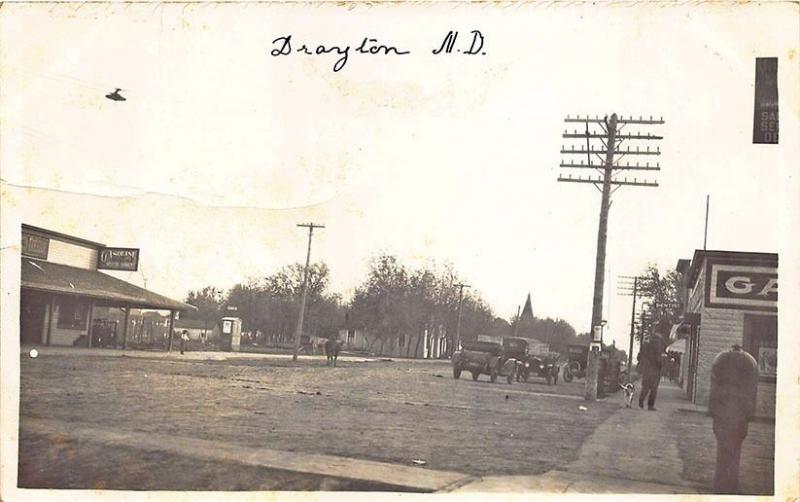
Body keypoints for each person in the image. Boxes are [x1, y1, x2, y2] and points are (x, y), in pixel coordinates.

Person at [637, 321, 668, 410]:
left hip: (646, 369)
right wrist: (662, 365)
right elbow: (658, 358)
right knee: (653, 389)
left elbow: (639, 356)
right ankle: (650, 405)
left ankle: (641, 402)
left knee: (645, 387)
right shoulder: (658, 343)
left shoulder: (646, 343)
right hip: (655, 370)